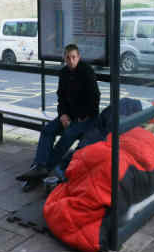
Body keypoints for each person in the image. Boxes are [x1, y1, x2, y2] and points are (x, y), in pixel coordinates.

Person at [16, 43, 100, 191]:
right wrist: (62, 115)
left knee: (67, 136)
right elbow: (61, 97)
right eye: (68, 58)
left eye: (74, 57)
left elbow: (95, 98)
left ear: (78, 57)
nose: (71, 60)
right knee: (47, 130)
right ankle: (39, 167)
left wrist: (82, 116)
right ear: (64, 58)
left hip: (86, 118)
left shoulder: (87, 72)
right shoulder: (64, 73)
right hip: (68, 116)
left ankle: (40, 171)